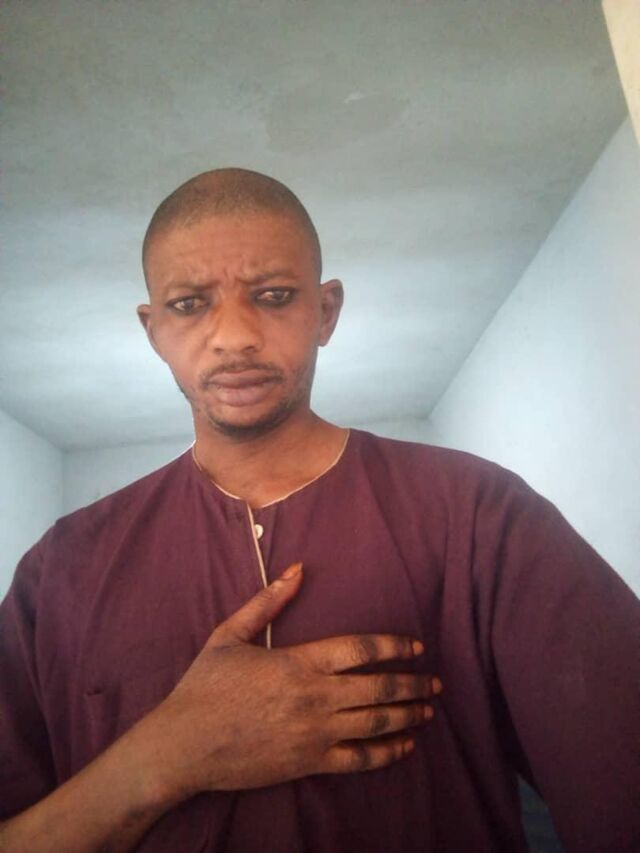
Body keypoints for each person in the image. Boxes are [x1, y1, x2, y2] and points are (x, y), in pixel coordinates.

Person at [0, 169, 638, 853]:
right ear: (153, 329)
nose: (234, 336)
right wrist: (165, 755)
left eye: (273, 296)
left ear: (326, 311)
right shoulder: (62, 570)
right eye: (189, 304)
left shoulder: (476, 514)